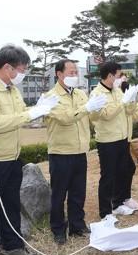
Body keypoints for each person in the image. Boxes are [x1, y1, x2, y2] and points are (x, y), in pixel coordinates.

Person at [0, 45, 58, 255]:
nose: (23, 74)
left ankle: (12, 244)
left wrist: (38, 109)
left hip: (11, 157)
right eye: (21, 69)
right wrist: (29, 114)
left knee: (10, 203)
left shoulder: (12, 89)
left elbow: (21, 114)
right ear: (7, 67)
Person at [45, 59, 107, 244]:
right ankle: (57, 229)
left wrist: (97, 107)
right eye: (71, 72)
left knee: (78, 191)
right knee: (59, 193)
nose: (75, 75)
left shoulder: (80, 93)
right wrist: (87, 107)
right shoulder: (51, 96)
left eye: (75, 72)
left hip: (80, 150)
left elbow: (90, 115)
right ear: (59, 74)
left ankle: (77, 225)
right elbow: (65, 118)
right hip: (61, 152)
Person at [89, 61, 138, 218]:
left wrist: (131, 99)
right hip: (107, 141)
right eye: (119, 75)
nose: (122, 79)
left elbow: (128, 112)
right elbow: (106, 115)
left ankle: (121, 201)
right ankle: (106, 211)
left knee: (127, 169)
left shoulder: (117, 91)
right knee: (108, 175)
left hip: (121, 138)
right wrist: (122, 102)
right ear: (110, 75)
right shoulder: (97, 94)